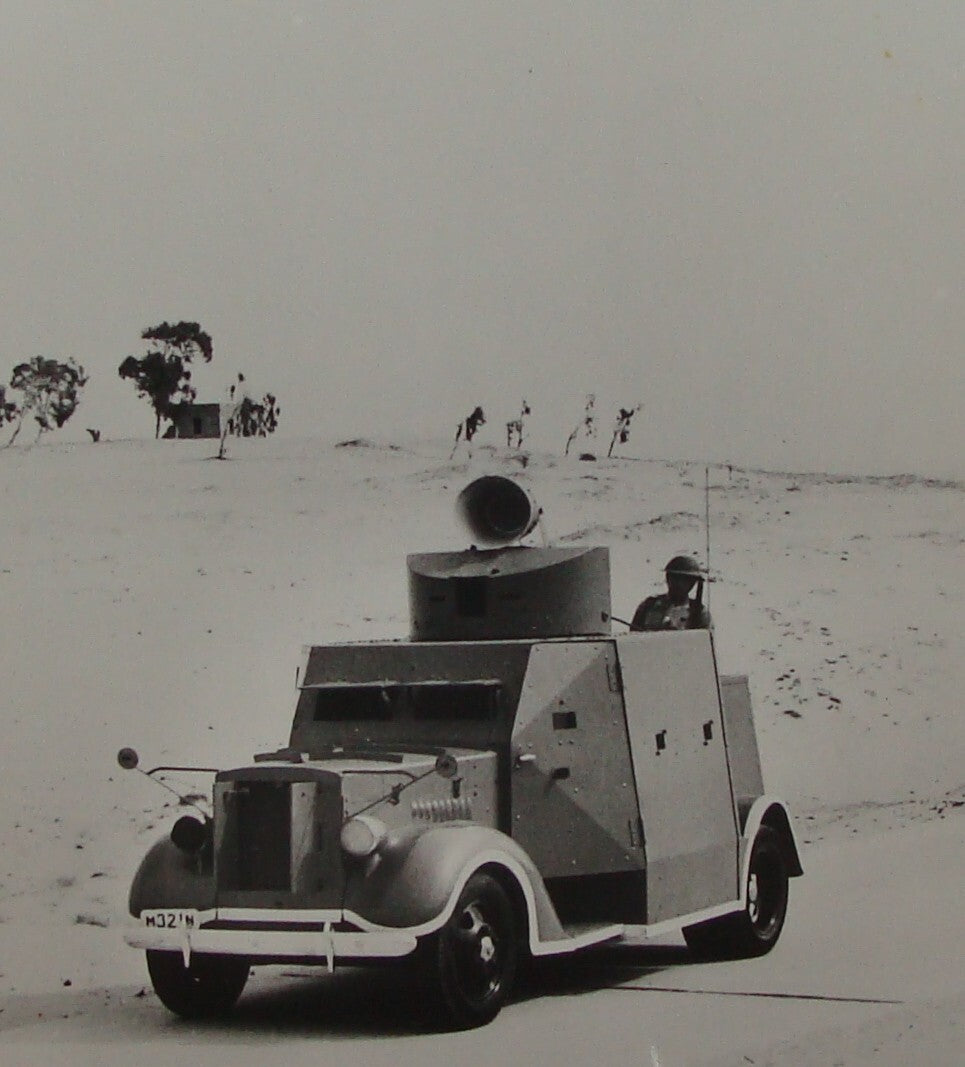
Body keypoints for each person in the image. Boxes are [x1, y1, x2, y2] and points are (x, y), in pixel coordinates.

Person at [630, 555, 712, 632]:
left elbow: (703, 642)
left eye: (685, 580)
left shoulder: (699, 613)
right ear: (667, 578)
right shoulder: (649, 605)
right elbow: (633, 638)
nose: (679, 584)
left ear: (692, 583)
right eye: (675, 578)